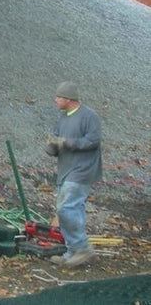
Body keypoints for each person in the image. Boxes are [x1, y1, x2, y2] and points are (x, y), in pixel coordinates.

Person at [45, 81, 102, 269]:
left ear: (69, 99)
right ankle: (72, 252)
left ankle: (82, 248)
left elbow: (92, 141)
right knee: (71, 209)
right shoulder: (63, 118)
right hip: (65, 171)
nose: (55, 100)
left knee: (66, 208)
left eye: (58, 97)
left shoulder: (89, 116)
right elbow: (56, 139)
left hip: (82, 171)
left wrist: (68, 143)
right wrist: (52, 146)